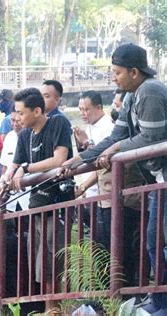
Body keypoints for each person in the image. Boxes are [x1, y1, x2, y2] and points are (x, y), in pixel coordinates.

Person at [63, 43, 167, 314]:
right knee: (154, 240)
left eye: (117, 72)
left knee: (157, 240)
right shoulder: (132, 96)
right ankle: (159, 302)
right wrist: (78, 160)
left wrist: (115, 150)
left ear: (134, 71)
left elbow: (152, 138)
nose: (114, 77)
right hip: (158, 180)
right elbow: (116, 136)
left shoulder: (151, 91)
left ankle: (161, 303)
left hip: (163, 178)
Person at [0, 87, 73, 307]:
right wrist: (6, 179)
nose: (17, 118)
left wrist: (27, 168)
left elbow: (59, 159)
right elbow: (14, 166)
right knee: (39, 263)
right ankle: (46, 307)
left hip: (56, 205)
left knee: (53, 261)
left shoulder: (58, 124)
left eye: (21, 113)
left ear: (38, 110)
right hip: (35, 206)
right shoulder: (23, 136)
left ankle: (55, 308)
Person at [72, 90, 143, 286]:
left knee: (116, 245)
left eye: (87, 109)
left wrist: (86, 145)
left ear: (98, 108)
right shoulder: (91, 128)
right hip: (101, 196)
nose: (83, 113)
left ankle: (119, 288)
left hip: (114, 195)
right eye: (80, 109)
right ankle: (108, 288)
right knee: (102, 245)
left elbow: (103, 162)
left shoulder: (108, 128)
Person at [0, 110, 30, 212]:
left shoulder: (31, 136)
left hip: (28, 192)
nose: (15, 124)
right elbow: (5, 166)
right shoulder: (9, 137)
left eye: (18, 120)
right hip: (11, 196)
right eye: (12, 120)